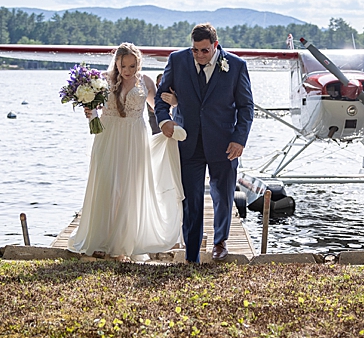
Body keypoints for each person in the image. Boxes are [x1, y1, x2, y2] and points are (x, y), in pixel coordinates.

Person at [69, 43, 184, 261]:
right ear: (117, 63)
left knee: (129, 187)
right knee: (107, 184)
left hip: (134, 138)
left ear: (138, 64)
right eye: (123, 66)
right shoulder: (104, 81)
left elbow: (158, 107)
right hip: (108, 135)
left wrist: (173, 105)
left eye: (132, 66)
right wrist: (89, 111)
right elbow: (94, 107)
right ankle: (101, 239)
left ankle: (123, 242)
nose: (128, 71)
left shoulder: (146, 82)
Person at [155, 23, 253, 263]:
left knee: (223, 195)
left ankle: (220, 242)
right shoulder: (177, 61)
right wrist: (164, 121)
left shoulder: (236, 66)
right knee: (192, 198)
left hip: (224, 143)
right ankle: (192, 252)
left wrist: (239, 139)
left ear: (215, 46)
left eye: (205, 51)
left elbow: (246, 107)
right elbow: (160, 98)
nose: (199, 55)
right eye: (195, 50)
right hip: (188, 142)